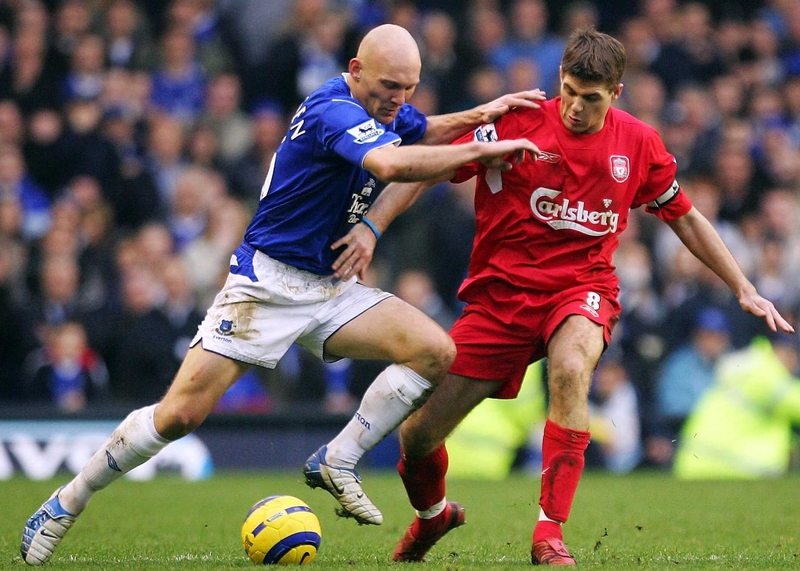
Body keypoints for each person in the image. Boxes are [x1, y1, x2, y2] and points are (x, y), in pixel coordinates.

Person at [20, 24, 544, 566]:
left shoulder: (384, 107)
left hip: (330, 286)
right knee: (178, 417)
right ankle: (64, 503)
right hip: (266, 285)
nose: (400, 99)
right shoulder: (332, 109)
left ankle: (339, 458)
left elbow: (421, 130)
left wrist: (483, 114)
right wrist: (487, 152)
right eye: (391, 86)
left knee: (435, 351)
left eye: (409, 87)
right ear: (355, 69)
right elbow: (391, 164)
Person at [328, 28, 794, 566]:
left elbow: (684, 216)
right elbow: (423, 171)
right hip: (500, 301)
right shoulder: (517, 121)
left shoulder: (637, 143)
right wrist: (371, 229)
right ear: (560, 79)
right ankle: (433, 518)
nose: (574, 107)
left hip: (581, 289)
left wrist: (744, 286)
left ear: (616, 92)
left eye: (591, 97)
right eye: (569, 90)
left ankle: (549, 533)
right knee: (419, 436)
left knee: (572, 368)